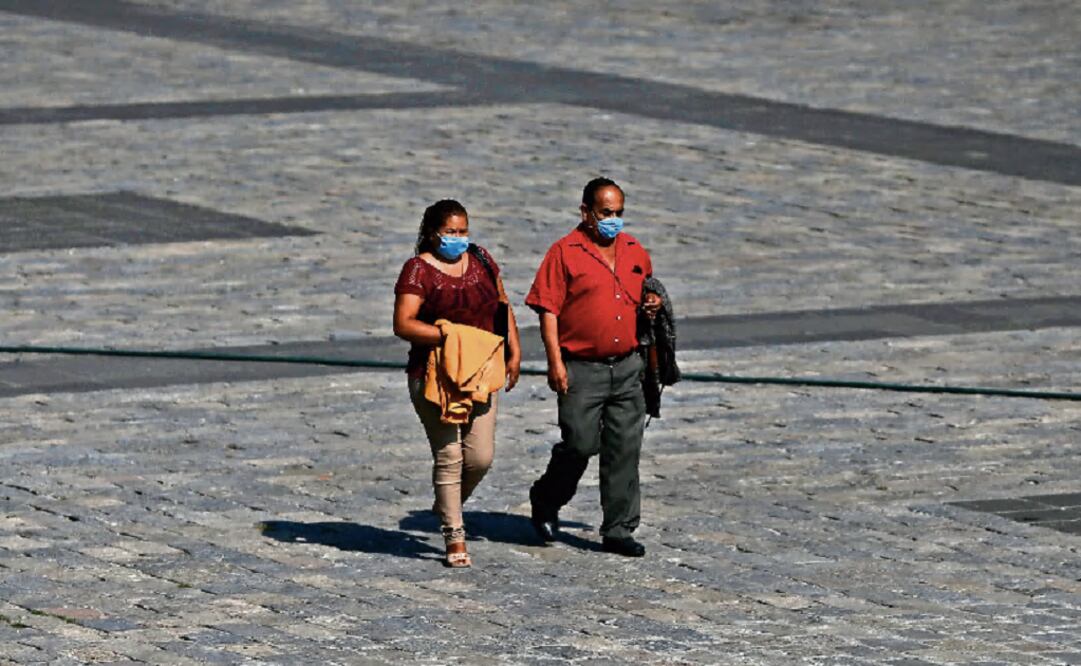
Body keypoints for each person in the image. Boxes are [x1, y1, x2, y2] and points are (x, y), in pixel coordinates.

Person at [525, 177, 661, 557]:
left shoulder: (635, 250)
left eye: (619, 213)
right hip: (581, 367)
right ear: (586, 212)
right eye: (606, 213)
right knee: (581, 443)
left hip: (628, 366)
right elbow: (548, 309)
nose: (613, 220)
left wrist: (651, 301)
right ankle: (546, 497)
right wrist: (555, 362)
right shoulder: (564, 252)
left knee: (624, 448)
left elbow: (647, 289)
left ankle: (618, 528)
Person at [393, 199, 521, 567]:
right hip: (436, 374)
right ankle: (454, 535)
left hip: (482, 370)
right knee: (449, 454)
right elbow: (404, 323)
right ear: (433, 233)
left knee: (480, 456)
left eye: (463, 230)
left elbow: (502, 303)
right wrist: (450, 337)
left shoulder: (480, 258)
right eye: (451, 232)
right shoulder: (418, 271)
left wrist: (514, 348)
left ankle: (445, 503)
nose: (458, 238)